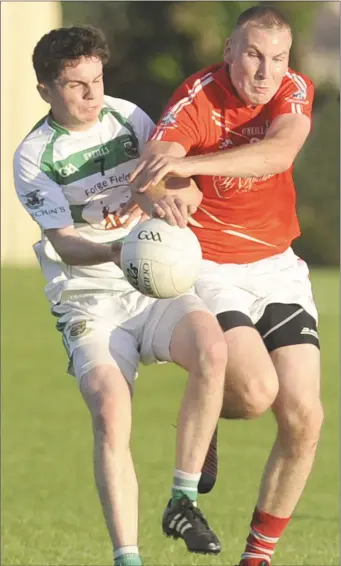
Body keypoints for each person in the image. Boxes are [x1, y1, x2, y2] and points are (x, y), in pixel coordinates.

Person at [13, 25, 228, 565]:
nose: (92, 94)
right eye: (76, 85)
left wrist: (172, 197)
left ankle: (182, 500)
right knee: (111, 412)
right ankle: (126, 558)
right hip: (89, 296)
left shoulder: (128, 117)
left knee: (212, 348)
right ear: (45, 90)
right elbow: (63, 243)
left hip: (154, 280)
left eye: (97, 79)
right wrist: (115, 254)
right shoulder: (34, 157)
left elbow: (171, 180)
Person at [129, 6, 323, 566]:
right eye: (254, 55)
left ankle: (257, 558)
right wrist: (167, 176)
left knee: (305, 418)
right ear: (230, 51)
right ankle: (209, 403)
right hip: (212, 269)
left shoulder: (292, 89)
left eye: (278, 58)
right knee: (257, 394)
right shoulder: (199, 97)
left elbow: (280, 152)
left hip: (277, 266)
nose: (266, 71)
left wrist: (198, 168)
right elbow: (154, 163)